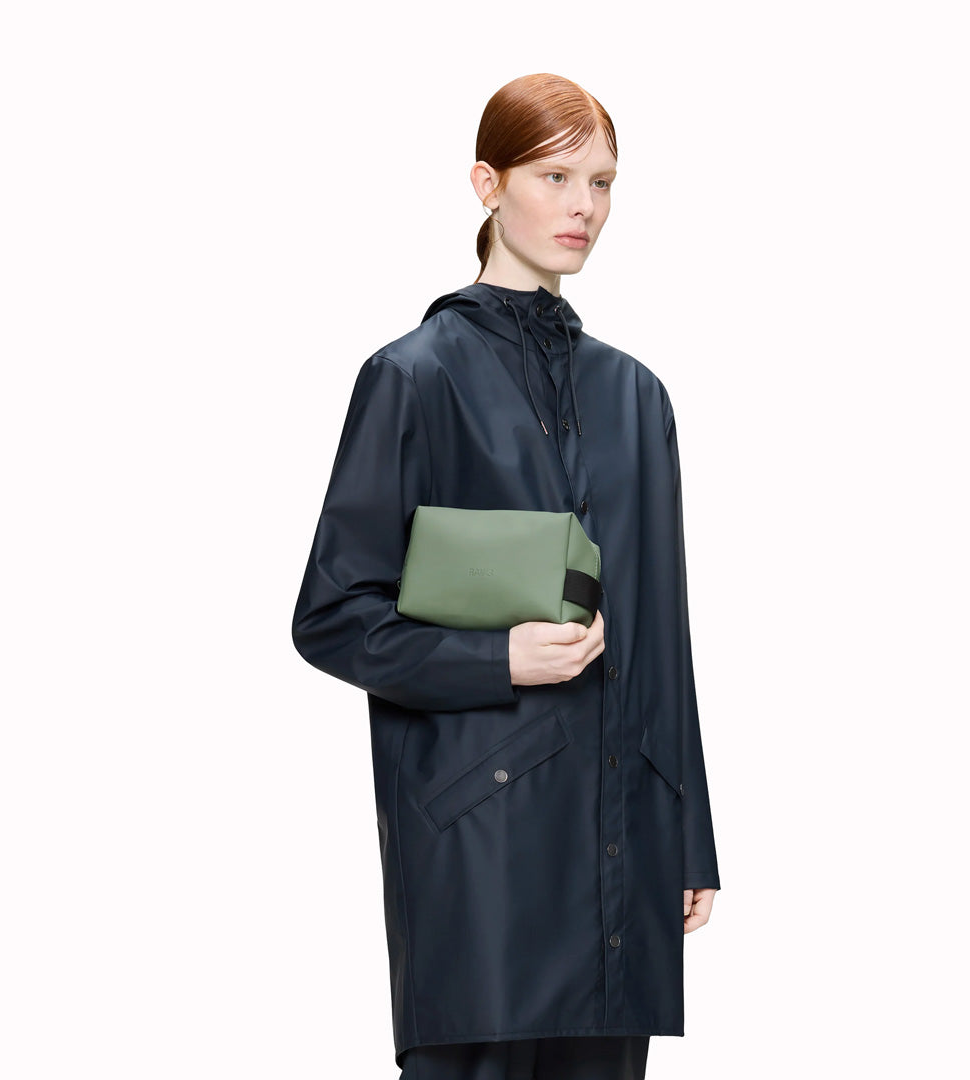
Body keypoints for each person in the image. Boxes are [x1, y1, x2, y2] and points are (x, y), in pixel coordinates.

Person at [291, 72, 721, 1080]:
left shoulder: (636, 398)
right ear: (488, 184)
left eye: (602, 182)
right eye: (554, 177)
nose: (584, 207)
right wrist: (499, 658)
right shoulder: (413, 377)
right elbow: (332, 615)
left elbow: (663, 633)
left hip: (619, 841)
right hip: (476, 846)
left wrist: (688, 832)